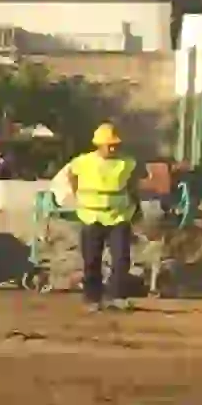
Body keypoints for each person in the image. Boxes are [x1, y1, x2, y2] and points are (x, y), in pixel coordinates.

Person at [59, 121, 142, 308]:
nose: (113, 147)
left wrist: (137, 208)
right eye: (109, 144)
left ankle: (117, 297)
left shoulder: (126, 163)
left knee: (121, 258)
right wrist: (76, 194)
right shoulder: (82, 162)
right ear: (98, 144)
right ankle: (92, 298)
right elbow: (70, 175)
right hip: (91, 217)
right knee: (91, 259)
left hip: (118, 216)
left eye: (115, 144)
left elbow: (133, 186)